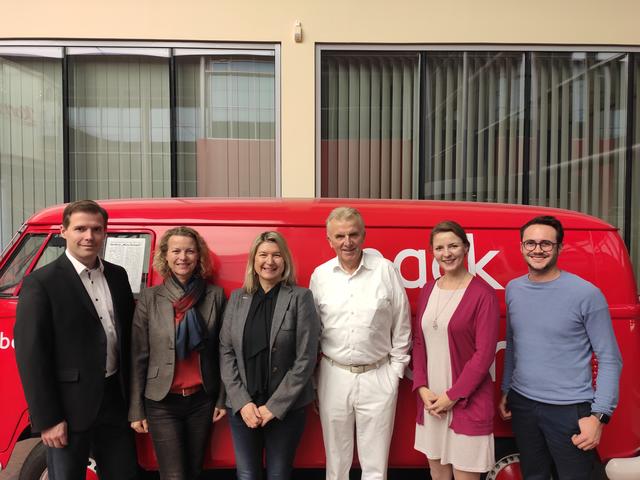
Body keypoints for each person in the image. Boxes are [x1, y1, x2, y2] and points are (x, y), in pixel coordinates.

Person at [14, 199, 138, 480]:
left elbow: (127, 339)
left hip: (115, 402)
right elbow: (32, 356)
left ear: (105, 233)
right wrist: (48, 420)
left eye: (96, 229)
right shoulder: (41, 283)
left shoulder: (118, 276)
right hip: (68, 410)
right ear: (63, 231)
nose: (89, 236)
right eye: (80, 228)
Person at [499, 215, 623, 480]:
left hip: (569, 410)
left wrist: (599, 416)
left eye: (546, 243)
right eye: (530, 243)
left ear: (559, 248)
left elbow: (610, 359)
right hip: (523, 405)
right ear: (521, 247)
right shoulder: (513, 289)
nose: (537, 249)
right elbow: (513, 345)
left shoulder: (586, 294)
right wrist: (507, 389)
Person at [309, 206, 411, 480]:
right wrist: (316, 380)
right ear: (329, 240)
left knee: (376, 466)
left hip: (378, 376)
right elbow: (313, 330)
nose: (347, 242)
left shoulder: (385, 270)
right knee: (336, 462)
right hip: (334, 375)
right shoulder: (320, 276)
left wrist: (395, 372)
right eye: (339, 236)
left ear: (363, 235)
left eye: (353, 234)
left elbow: (402, 323)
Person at [219, 231, 319, 480]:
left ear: (285, 261)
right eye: (263, 254)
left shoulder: (300, 297)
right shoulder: (237, 299)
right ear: (253, 260)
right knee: (246, 474)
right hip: (243, 407)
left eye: (276, 255)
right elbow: (225, 350)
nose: (269, 261)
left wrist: (273, 407)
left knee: (279, 475)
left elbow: (306, 357)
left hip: (286, 408)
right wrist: (242, 402)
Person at [129, 226, 227, 480]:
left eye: (190, 251)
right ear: (165, 255)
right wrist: (136, 409)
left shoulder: (214, 295)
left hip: (202, 399)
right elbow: (139, 355)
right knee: (173, 475)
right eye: (176, 251)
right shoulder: (150, 298)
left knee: (194, 472)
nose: (183, 257)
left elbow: (224, 351)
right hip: (162, 402)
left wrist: (221, 399)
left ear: (199, 256)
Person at [411, 221, 499, 480]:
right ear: (432, 252)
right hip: (431, 401)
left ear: (466, 248)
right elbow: (419, 342)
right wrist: (422, 388)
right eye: (439, 248)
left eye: (453, 246)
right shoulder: (428, 289)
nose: (446, 253)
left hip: (466, 403)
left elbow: (483, 356)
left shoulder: (484, 295)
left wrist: (452, 396)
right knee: (438, 474)